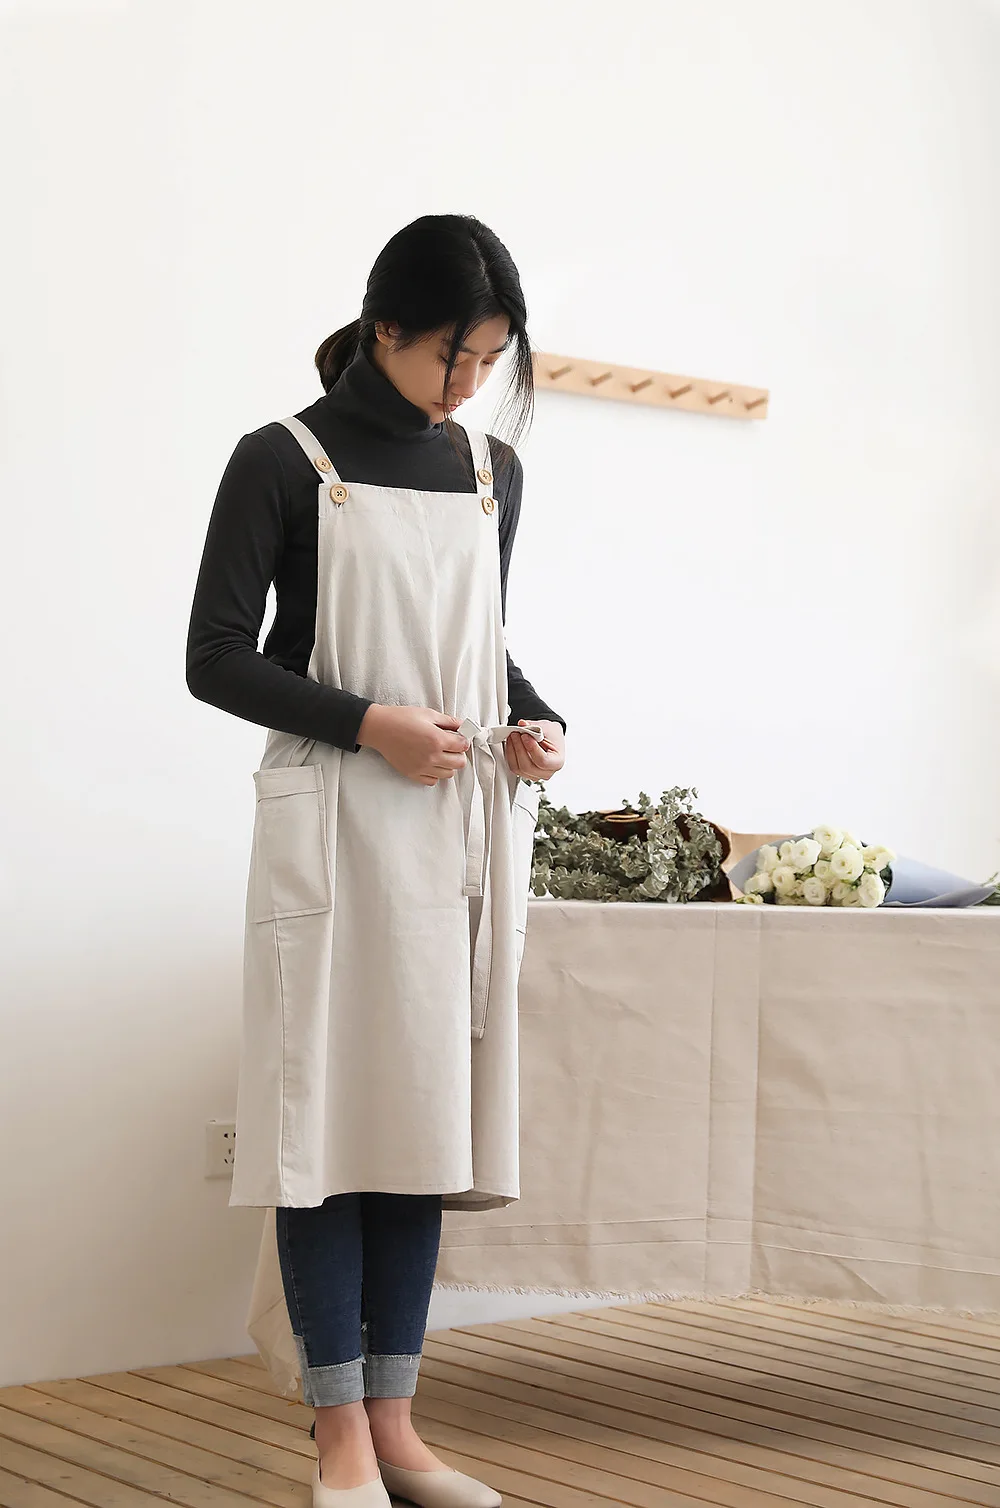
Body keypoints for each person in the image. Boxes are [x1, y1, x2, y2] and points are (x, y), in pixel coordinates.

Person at [186, 214, 567, 1508]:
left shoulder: (492, 472)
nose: (471, 385)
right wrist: (370, 725)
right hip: (335, 832)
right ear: (386, 327)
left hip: (452, 833)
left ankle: (398, 1429)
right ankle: (337, 1436)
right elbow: (217, 657)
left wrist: (533, 721)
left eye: (492, 363)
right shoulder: (282, 459)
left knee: (421, 1126)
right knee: (323, 1132)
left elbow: (481, 644)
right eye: (456, 357)